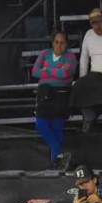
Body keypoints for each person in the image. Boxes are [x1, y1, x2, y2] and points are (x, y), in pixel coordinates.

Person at [32, 30, 78, 170]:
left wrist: (47, 69)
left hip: (61, 94)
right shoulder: (44, 54)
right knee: (41, 124)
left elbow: (66, 74)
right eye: (56, 42)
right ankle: (58, 154)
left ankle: (55, 163)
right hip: (45, 94)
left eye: (62, 42)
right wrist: (56, 69)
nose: (59, 45)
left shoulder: (70, 56)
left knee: (57, 128)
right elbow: (34, 72)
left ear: (66, 44)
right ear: (52, 43)